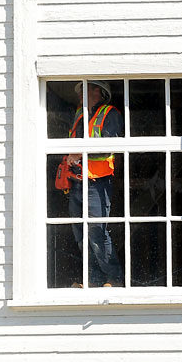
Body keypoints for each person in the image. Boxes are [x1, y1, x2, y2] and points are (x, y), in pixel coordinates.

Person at [60, 81, 124, 287]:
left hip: (97, 182)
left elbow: (110, 146)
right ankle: (93, 281)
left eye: (85, 89)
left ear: (100, 92)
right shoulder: (79, 116)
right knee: (80, 233)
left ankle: (114, 278)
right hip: (77, 182)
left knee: (96, 231)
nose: (80, 93)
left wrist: (80, 153)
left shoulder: (109, 113)